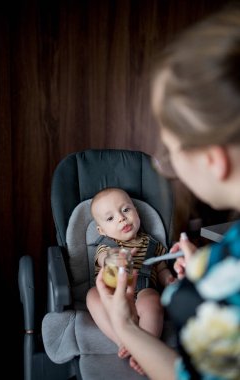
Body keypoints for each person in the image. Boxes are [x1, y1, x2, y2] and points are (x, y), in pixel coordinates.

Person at [96, 3, 240, 380]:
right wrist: (203, 269)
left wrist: (127, 326)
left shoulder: (226, 275)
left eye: (169, 150)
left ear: (212, 158)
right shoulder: (227, 255)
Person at [86, 187, 176, 375]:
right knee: (92, 295)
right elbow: (103, 260)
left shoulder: (153, 244)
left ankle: (146, 350)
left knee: (153, 300)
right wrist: (114, 258)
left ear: (136, 211)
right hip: (112, 294)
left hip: (143, 289)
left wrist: (168, 279)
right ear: (101, 230)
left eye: (126, 210)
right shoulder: (105, 247)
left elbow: (161, 268)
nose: (121, 218)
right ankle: (121, 340)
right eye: (110, 218)